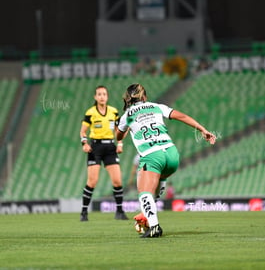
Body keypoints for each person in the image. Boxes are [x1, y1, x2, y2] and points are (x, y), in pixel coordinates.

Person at [116, 83, 216, 238]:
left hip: (152, 155)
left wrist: (125, 128)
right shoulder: (157, 106)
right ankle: (146, 214)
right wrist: (203, 129)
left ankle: (154, 226)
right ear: (145, 97)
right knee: (157, 181)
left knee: (144, 193)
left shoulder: (127, 115)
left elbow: (118, 136)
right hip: (172, 154)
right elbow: (181, 116)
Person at [79, 85, 128, 221]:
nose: (102, 96)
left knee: (117, 181)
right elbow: (83, 131)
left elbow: (118, 130)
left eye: (104, 94)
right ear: (95, 97)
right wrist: (85, 143)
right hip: (95, 147)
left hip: (110, 148)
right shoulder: (91, 113)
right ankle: (84, 212)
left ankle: (119, 212)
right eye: (99, 94)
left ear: (107, 96)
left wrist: (120, 143)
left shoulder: (113, 112)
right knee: (92, 181)